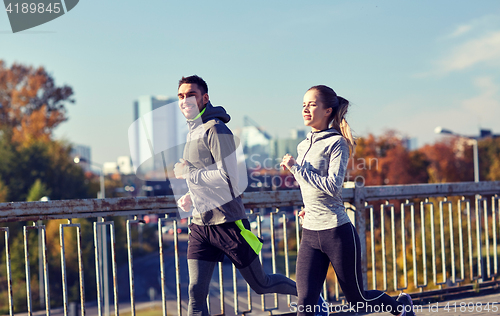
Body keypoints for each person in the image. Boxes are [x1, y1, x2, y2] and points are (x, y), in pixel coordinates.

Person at [280, 85, 415, 316]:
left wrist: (296, 168)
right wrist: (308, 207)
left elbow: (333, 187)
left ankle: (400, 305)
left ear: (328, 111)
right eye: (303, 105)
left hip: (337, 232)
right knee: (305, 303)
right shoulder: (302, 146)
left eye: (312, 104)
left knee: (358, 300)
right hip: (310, 233)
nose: (305, 109)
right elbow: (311, 187)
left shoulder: (337, 143)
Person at [173, 75, 297, 316]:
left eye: (191, 95)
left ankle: (311, 296)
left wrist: (189, 173)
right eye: (180, 96)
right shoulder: (192, 132)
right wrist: (191, 195)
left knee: (262, 284)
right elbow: (202, 174)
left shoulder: (216, 129)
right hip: (200, 224)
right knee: (195, 292)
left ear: (204, 98)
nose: (184, 100)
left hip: (228, 222)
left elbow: (229, 178)